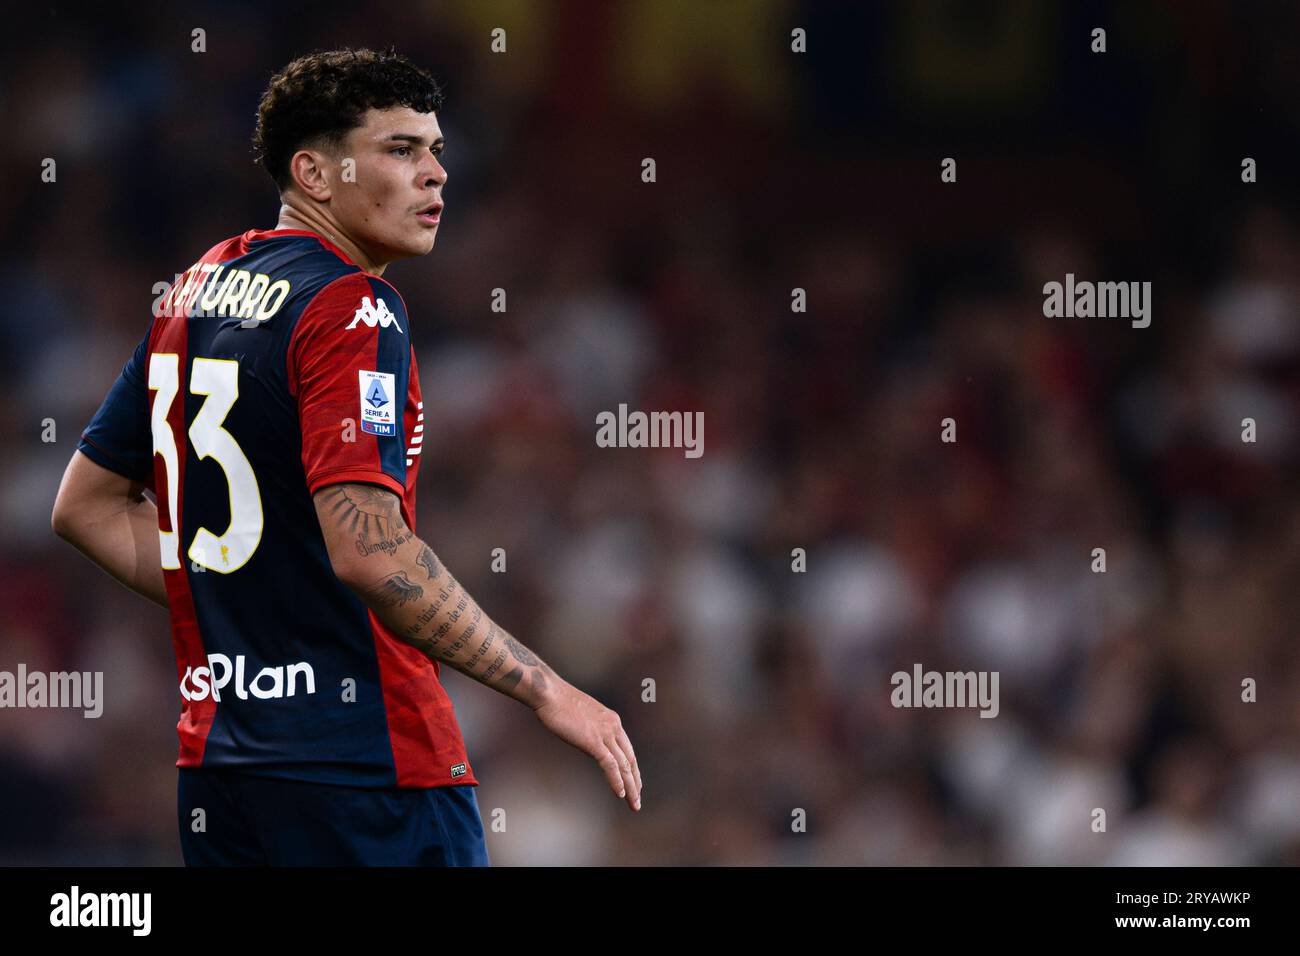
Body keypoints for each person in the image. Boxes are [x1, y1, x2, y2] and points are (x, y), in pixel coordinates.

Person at [50, 47, 641, 866]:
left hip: (223, 771)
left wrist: (239, 603)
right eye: (400, 150)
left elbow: (84, 506)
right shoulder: (353, 308)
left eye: (436, 150)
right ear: (315, 175)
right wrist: (548, 689)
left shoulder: (196, 287)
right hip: (369, 771)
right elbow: (369, 551)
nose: (436, 174)